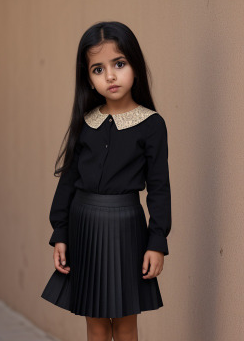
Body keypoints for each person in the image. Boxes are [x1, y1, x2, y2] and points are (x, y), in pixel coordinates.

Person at [41, 21, 172, 341]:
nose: (110, 76)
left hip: (127, 229)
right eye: (97, 69)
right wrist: (60, 232)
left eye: (119, 64)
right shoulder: (85, 123)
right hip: (84, 227)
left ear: (135, 66)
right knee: (95, 321)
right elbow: (69, 180)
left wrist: (157, 241)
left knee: (125, 322)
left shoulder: (151, 125)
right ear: (88, 77)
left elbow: (159, 186)